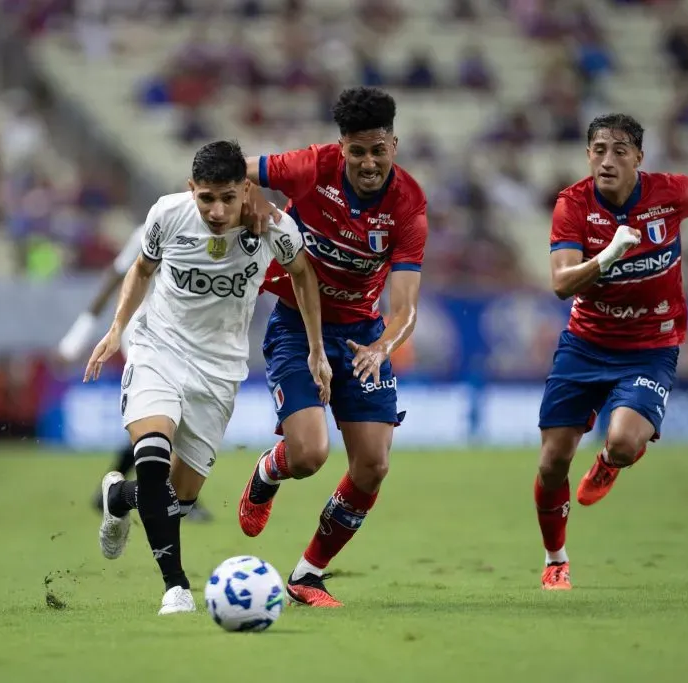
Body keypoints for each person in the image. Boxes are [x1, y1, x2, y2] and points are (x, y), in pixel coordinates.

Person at [83, 140, 332, 615]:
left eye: (228, 198)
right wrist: (117, 328)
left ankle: (118, 497)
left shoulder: (275, 228)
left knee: (177, 495)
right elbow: (141, 269)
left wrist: (317, 349)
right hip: (159, 349)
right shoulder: (167, 215)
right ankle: (176, 588)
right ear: (190, 189)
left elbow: (302, 274)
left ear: (246, 190)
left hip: (219, 370)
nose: (217, 211)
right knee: (152, 456)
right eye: (206, 198)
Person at [235, 86, 429, 607]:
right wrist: (251, 204)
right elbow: (232, 166)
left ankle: (306, 575)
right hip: (296, 324)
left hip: (363, 335)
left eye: (378, 149)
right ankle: (267, 471)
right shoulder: (309, 167)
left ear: (395, 144)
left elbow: (406, 308)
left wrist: (383, 346)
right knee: (310, 455)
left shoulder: (408, 205)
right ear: (341, 146)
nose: (368, 162)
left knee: (372, 466)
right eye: (357, 150)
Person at [537, 112, 688, 590]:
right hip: (585, 345)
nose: (607, 160)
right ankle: (555, 560)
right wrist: (609, 255)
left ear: (638, 158)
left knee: (625, 444)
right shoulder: (572, 205)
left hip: (652, 346)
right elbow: (559, 284)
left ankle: (610, 462)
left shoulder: (671, 192)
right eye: (598, 150)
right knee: (551, 464)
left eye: (619, 150)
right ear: (588, 154)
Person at [56, 223, 212, 522]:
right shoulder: (155, 226)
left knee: (169, 417)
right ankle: (177, 497)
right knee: (166, 413)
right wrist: (76, 339)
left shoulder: (216, 231)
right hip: (145, 334)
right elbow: (115, 277)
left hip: (184, 336)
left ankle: (116, 491)